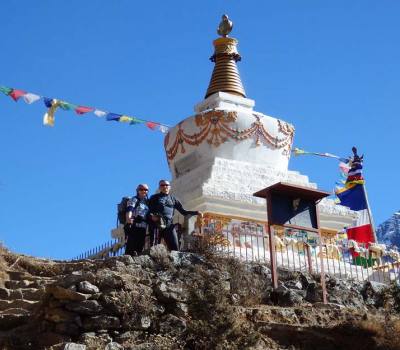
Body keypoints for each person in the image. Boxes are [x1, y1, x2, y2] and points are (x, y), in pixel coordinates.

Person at [148, 180, 202, 251]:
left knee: (175, 248)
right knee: (154, 247)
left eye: (166, 185)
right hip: (157, 224)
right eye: (162, 185)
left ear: (169, 187)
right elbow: (148, 210)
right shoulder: (154, 197)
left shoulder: (173, 199)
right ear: (159, 187)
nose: (165, 187)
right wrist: (152, 217)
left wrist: (196, 212)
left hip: (169, 225)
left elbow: (183, 212)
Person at [124, 183, 150, 256]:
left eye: (146, 190)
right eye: (141, 189)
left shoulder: (147, 202)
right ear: (137, 190)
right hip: (134, 226)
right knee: (131, 246)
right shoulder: (134, 199)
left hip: (143, 227)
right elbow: (129, 209)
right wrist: (128, 218)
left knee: (140, 246)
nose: (144, 191)